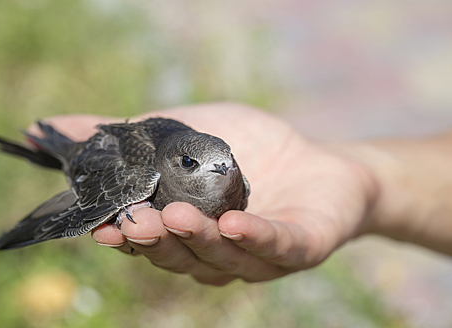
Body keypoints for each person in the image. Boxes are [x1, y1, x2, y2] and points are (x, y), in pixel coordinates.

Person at [29, 103, 452, 286]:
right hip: (106, 154)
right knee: (101, 209)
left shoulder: (234, 181)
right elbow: (100, 190)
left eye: (227, 160)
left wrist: (366, 180)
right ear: (176, 165)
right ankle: (54, 147)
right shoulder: (141, 175)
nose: (224, 171)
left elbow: (219, 167)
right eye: (199, 165)